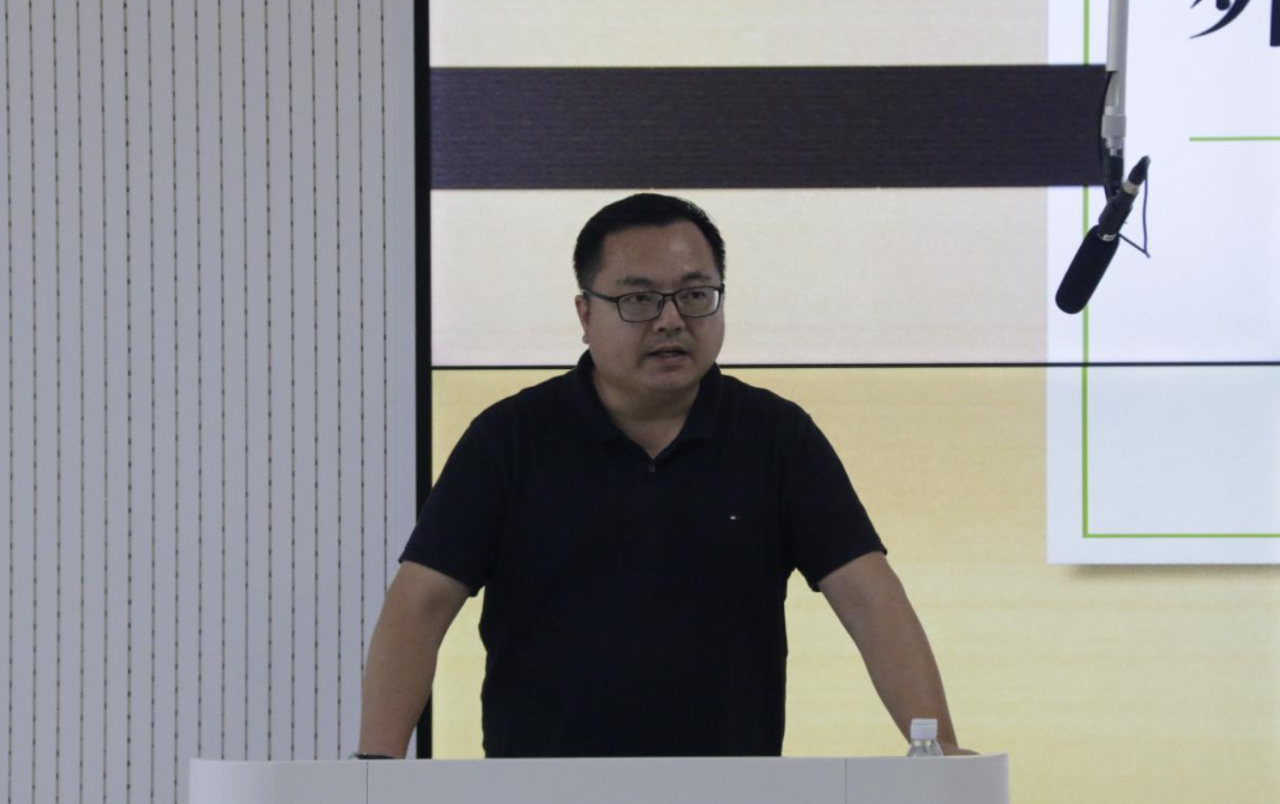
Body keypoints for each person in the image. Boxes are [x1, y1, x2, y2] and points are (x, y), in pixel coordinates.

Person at [357, 193, 971, 759]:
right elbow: (420, 606)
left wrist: (942, 755)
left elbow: (870, 601)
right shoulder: (508, 440)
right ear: (584, 313)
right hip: (542, 790)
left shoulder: (777, 438)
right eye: (639, 300)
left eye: (696, 295)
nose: (671, 320)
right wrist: (374, 774)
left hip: (730, 790)